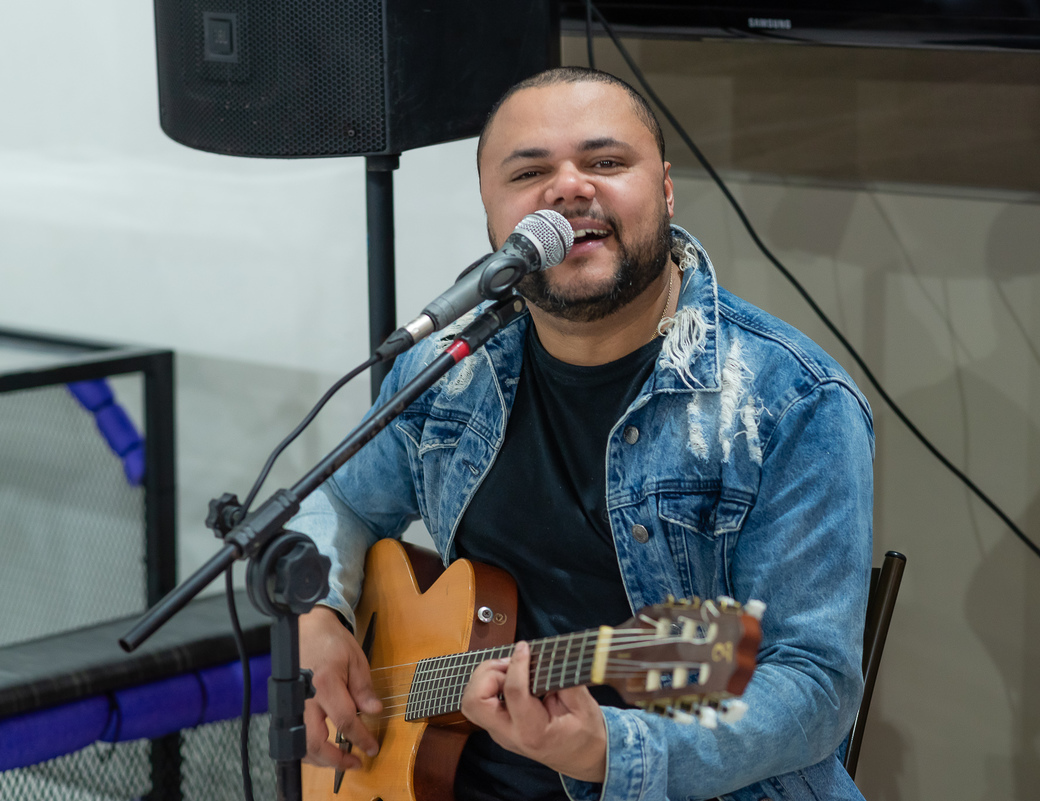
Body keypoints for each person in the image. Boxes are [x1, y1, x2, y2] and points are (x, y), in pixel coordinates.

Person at [291, 67, 874, 801]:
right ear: (492, 216)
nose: (568, 188)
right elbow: (335, 502)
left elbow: (814, 690)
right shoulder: (447, 370)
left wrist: (613, 750)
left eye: (604, 162)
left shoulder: (789, 401)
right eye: (530, 171)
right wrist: (318, 616)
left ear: (663, 190)